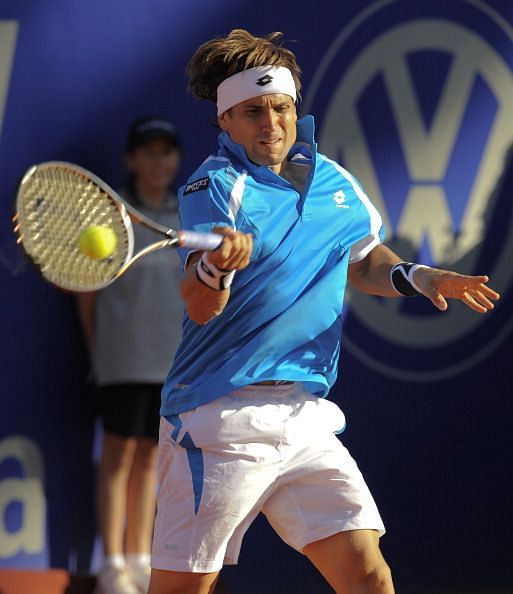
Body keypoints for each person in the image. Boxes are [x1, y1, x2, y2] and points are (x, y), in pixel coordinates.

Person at [147, 30, 500, 594]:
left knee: (367, 575)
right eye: (253, 112)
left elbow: (362, 261)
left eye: (281, 108)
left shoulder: (334, 180)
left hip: (305, 415)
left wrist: (421, 276)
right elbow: (200, 304)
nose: (271, 123)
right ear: (225, 122)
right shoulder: (215, 186)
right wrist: (216, 267)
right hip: (219, 419)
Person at [76, 116, 183, 594]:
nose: (158, 161)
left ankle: (139, 558)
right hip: (122, 360)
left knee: (150, 458)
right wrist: (99, 344)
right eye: (149, 152)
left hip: (172, 361)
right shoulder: (110, 215)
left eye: (167, 151)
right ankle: (111, 565)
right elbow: (86, 291)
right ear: (130, 160)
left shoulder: (188, 216)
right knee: (117, 456)